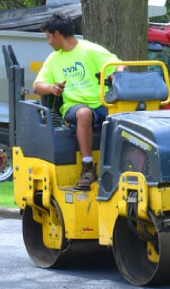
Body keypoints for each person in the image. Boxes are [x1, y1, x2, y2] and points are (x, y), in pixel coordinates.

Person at [33, 13, 123, 191]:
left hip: (102, 103)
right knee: (84, 114)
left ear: (57, 34)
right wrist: (52, 88)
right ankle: (88, 167)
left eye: (48, 37)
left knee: (125, 115)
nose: (48, 42)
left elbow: (119, 64)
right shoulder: (54, 60)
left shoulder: (91, 50)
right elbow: (37, 86)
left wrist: (116, 75)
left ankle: (122, 165)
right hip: (75, 106)